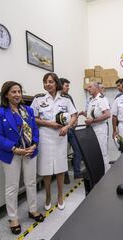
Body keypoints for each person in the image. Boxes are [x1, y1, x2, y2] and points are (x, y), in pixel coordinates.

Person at [0, 81, 44, 235]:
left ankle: (33, 210)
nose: (17, 95)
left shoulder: (28, 110)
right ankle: (13, 218)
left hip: (30, 151)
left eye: (19, 91)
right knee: (12, 187)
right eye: (13, 92)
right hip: (11, 154)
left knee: (31, 182)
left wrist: (34, 144)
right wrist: (15, 149)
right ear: (6, 94)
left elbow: (35, 130)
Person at [31, 73, 78, 211]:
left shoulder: (65, 98)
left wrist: (67, 126)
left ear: (56, 83)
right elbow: (33, 118)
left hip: (60, 137)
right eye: (45, 82)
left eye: (50, 81)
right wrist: (49, 124)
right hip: (45, 136)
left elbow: (74, 115)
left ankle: (60, 196)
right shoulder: (38, 99)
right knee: (46, 169)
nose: (47, 84)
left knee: (60, 168)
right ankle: (47, 196)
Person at [80, 82, 111, 172]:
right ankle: (98, 174)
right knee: (95, 153)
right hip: (92, 129)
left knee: (102, 153)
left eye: (90, 87)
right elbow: (92, 115)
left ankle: (106, 174)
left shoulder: (101, 99)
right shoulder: (92, 100)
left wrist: (93, 121)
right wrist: (84, 114)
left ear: (96, 88)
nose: (88, 89)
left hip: (100, 129)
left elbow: (107, 114)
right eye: (87, 87)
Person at [59, 78, 82, 185]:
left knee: (78, 150)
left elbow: (74, 111)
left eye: (68, 85)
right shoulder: (56, 98)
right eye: (66, 86)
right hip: (61, 130)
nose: (68, 88)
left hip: (71, 128)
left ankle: (77, 172)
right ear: (60, 86)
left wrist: (75, 121)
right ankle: (65, 175)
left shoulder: (68, 97)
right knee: (63, 153)